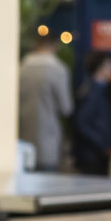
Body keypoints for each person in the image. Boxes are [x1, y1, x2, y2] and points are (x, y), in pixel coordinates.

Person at [17, 32, 72, 172]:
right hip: (48, 139)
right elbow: (66, 108)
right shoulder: (58, 70)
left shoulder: (21, 68)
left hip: (23, 138)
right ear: (54, 47)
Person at [71, 53, 111, 175]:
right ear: (100, 68)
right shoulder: (94, 92)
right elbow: (81, 122)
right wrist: (102, 143)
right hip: (93, 157)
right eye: (109, 67)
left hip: (96, 155)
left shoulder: (99, 89)